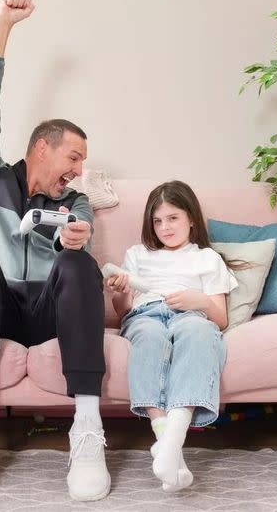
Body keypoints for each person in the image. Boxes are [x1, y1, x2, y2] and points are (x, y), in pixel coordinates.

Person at [0, 0, 109, 502]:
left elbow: (76, 233)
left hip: (43, 310)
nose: (79, 170)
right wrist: (2, 26)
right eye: (74, 157)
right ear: (42, 147)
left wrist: (72, 237)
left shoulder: (76, 202)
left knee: (79, 264)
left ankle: (87, 429)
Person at [106, 180, 237, 492]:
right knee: (149, 338)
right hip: (145, 314)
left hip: (192, 314)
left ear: (191, 218)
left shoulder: (207, 258)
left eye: (173, 218)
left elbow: (220, 319)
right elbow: (123, 312)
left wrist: (201, 301)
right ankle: (168, 444)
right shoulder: (137, 255)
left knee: (199, 332)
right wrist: (121, 294)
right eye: (158, 220)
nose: (165, 227)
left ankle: (170, 442)